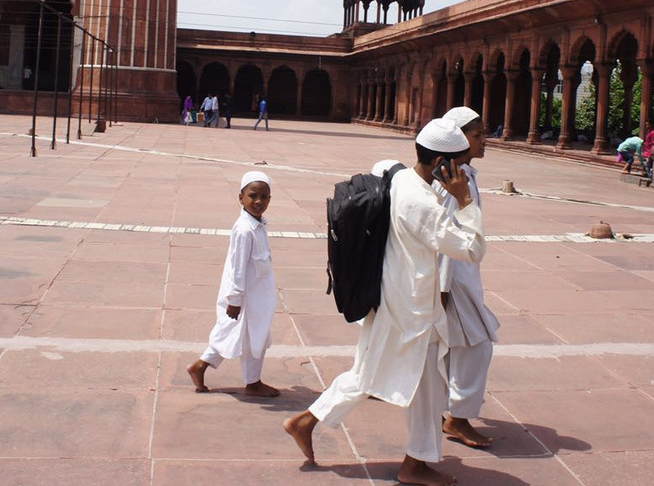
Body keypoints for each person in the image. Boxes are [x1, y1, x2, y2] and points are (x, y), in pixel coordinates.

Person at [284, 118, 486, 486]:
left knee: (388, 378)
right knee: (407, 382)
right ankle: (413, 464)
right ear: (443, 164)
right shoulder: (424, 203)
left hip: (395, 299)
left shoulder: (404, 179)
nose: (463, 172)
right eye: (459, 164)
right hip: (411, 310)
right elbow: (471, 249)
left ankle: (309, 422)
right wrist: (465, 200)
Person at [437, 107, 501, 450]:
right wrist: (444, 288)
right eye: (477, 135)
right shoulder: (452, 179)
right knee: (478, 347)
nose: (484, 140)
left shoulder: (464, 173)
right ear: (458, 138)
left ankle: (444, 408)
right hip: (455, 280)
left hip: (464, 276)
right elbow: (444, 236)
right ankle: (457, 418)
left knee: (452, 348)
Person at [187, 171, 280, 397]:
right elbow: (237, 267)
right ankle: (251, 381)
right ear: (241, 198)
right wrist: (236, 299)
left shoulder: (259, 223)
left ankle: (203, 367)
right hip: (245, 295)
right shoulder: (244, 229)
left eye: (264, 197)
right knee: (241, 334)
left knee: (247, 336)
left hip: (258, 294)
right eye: (253, 196)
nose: (258, 201)